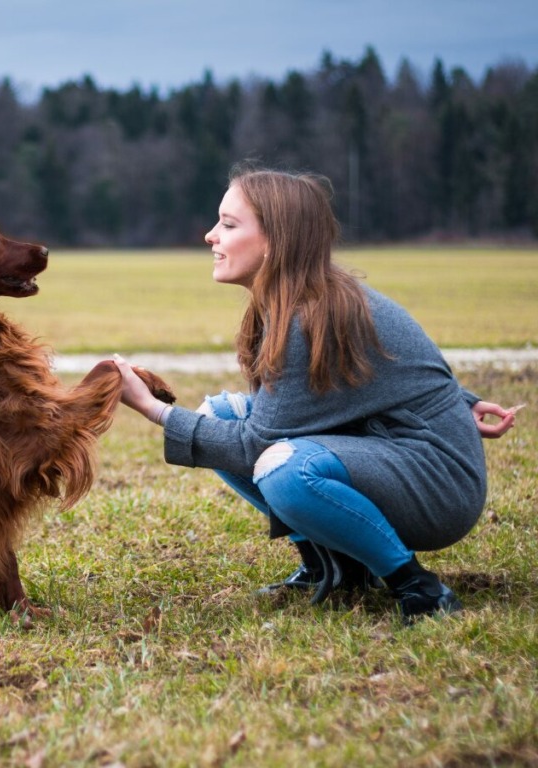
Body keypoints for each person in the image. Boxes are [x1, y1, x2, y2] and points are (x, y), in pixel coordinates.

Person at [112, 166, 519, 624]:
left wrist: (153, 409)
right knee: (220, 412)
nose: (211, 236)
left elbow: (254, 446)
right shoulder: (305, 300)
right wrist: (464, 401)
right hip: (391, 451)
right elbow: (384, 368)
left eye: (228, 224)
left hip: (439, 488)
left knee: (283, 467)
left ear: (276, 239)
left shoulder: (311, 315)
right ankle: (335, 565)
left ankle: (417, 586)